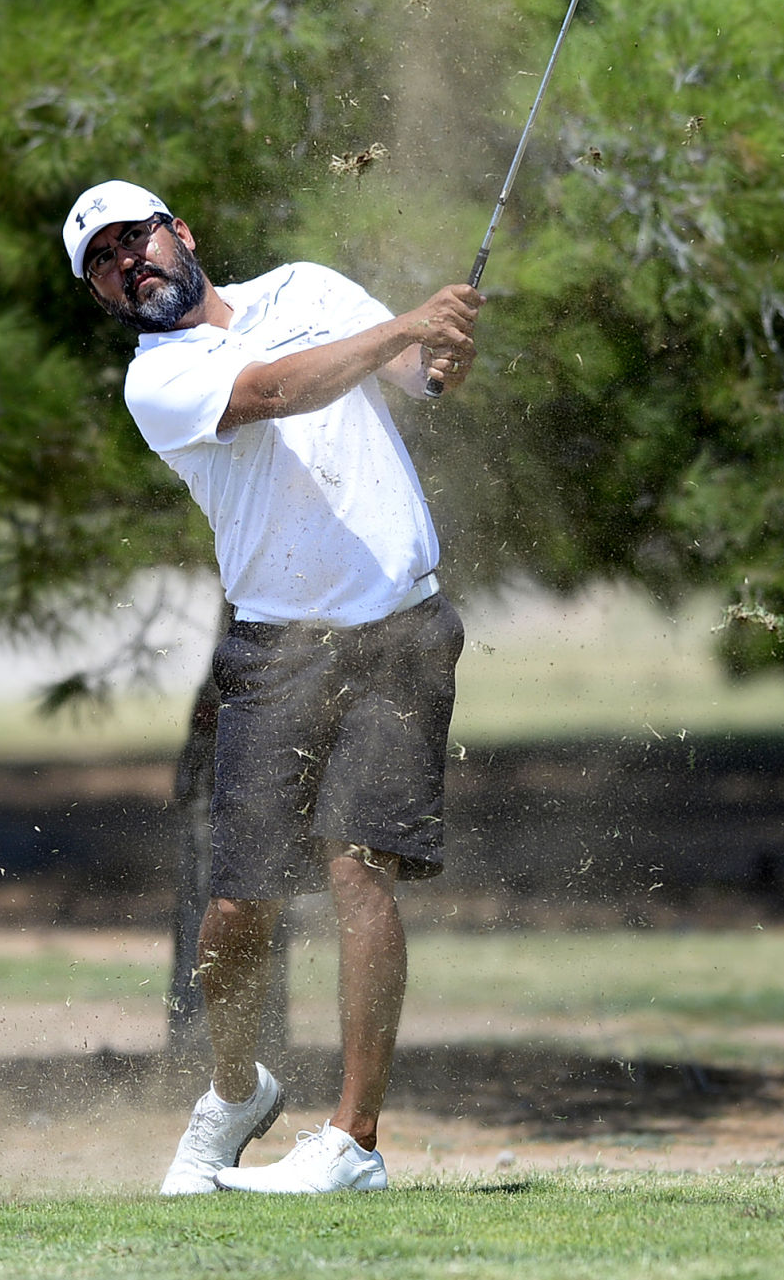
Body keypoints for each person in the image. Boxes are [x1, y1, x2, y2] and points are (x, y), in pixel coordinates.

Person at [61, 178, 481, 1195]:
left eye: (138, 239)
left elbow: (417, 380)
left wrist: (440, 354)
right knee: (235, 909)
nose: (130, 263)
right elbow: (278, 393)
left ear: (182, 233)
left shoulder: (309, 287)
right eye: (106, 262)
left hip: (397, 632)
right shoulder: (156, 380)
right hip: (274, 654)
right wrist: (402, 330)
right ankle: (239, 1087)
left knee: (355, 871)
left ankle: (353, 1142)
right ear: (104, 297)